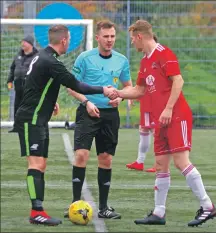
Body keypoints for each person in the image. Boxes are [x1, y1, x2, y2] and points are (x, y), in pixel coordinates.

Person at [112, 20, 216, 227]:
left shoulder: (164, 53)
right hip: (160, 118)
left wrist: (169, 108)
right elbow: (140, 90)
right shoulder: (145, 61)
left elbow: (178, 81)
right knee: (161, 164)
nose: (132, 42)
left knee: (181, 162)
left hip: (176, 115)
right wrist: (119, 93)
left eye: (133, 38)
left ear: (140, 36)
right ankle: (159, 213)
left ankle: (208, 207)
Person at [13, 24, 116, 226]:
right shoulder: (50, 61)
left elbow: (31, 81)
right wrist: (103, 89)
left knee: (40, 164)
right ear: (64, 40)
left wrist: (50, 101)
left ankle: (38, 209)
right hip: (31, 119)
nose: (69, 41)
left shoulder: (42, 57)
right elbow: (75, 84)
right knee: (35, 165)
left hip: (38, 118)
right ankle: (36, 212)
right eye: (69, 38)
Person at [65, 20, 132, 220]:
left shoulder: (121, 60)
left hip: (110, 116)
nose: (110, 40)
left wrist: (120, 97)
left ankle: (103, 208)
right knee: (81, 156)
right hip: (87, 112)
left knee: (106, 159)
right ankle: (75, 206)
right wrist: (86, 102)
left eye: (112, 36)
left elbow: (128, 86)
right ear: (97, 38)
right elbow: (71, 86)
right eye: (106, 36)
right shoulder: (84, 58)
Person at [7, 35, 38, 131]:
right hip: (18, 85)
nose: (23, 44)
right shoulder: (18, 55)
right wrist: (10, 80)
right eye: (22, 42)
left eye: (25, 42)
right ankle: (17, 126)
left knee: (29, 106)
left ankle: (30, 126)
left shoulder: (36, 56)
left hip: (30, 86)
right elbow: (12, 68)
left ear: (31, 44)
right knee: (17, 106)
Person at [126, 93, 156, 172]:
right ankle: (139, 162)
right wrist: (131, 96)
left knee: (157, 133)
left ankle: (160, 164)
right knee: (144, 129)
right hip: (146, 106)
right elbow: (139, 89)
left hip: (155, 107)